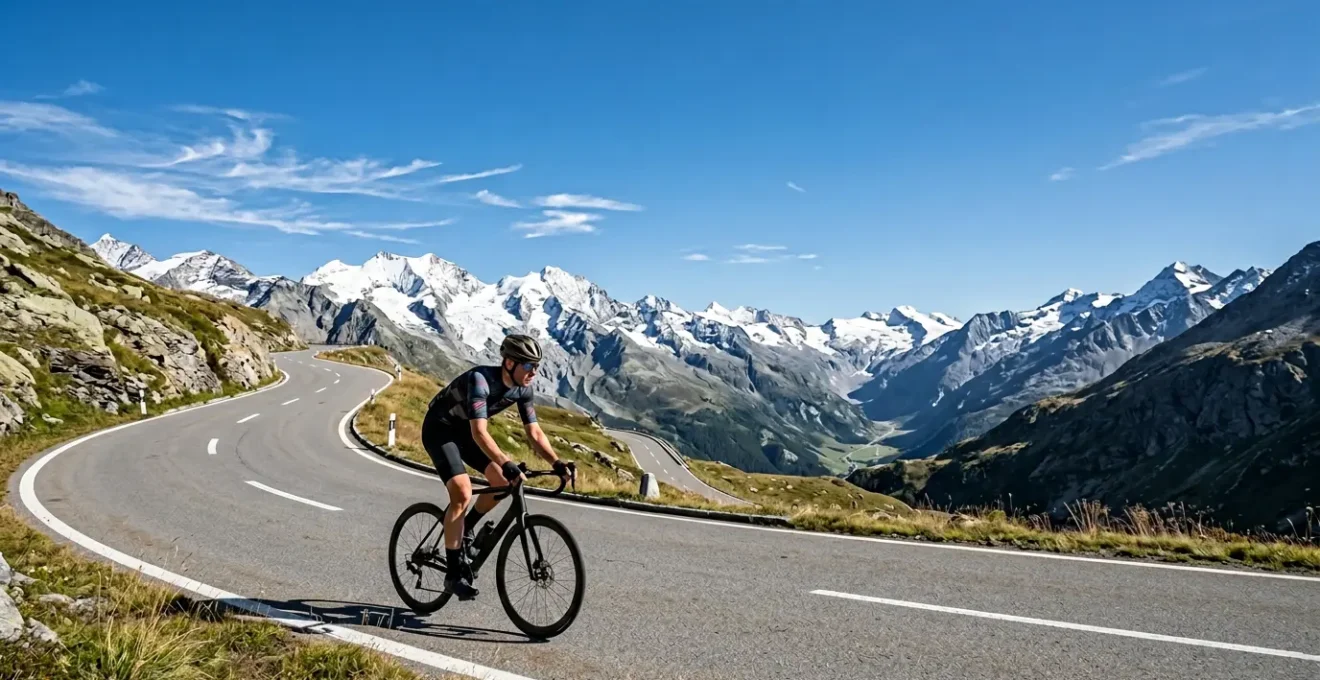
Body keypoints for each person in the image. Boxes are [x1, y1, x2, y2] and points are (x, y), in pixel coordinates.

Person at [420, 333, 570, 600]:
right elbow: (480, 432)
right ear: (509, 363)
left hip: (465, 433)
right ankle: (453, 574)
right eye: (528, 365)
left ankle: (465, 530)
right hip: (440, 429)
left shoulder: (523, 389)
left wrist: (556, 462)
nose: (533, 371)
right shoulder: (480, 380)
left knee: (503, 483)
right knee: (462, 493)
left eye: (537, 366)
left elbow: (534, 433)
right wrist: (506, 462)